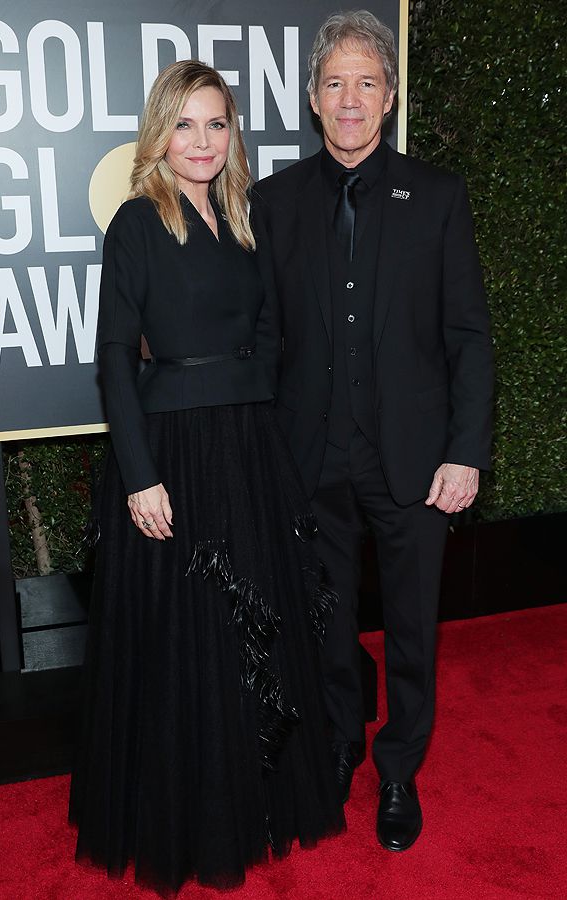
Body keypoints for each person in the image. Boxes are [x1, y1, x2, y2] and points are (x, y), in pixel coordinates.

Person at [69, 60, 344, 894]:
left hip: (248, 445)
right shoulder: (135, 224)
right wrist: (140, 474)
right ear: (161, 132)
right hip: (171, 455)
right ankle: (189, 819)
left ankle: (257, 802)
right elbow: (114, 356)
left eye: (216, 124)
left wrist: (260, 418)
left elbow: (270, 330)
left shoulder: (244, 219)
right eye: (185, 124)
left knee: (250, 637)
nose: (201, 140)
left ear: (233, 136)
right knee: (183, 643)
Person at [254, 10, 494, 852]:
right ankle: (337, 744)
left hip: (416, 464)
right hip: (308, 457)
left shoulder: (437, 196)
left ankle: (398, 769)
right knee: (319, 620)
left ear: (388, 97)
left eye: (366, 81)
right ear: (313, 100)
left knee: (412, 626)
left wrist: (466, 451)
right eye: (334, 83)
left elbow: (467, 336)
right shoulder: (274, 202)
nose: (349, 98)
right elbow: (264, 338)